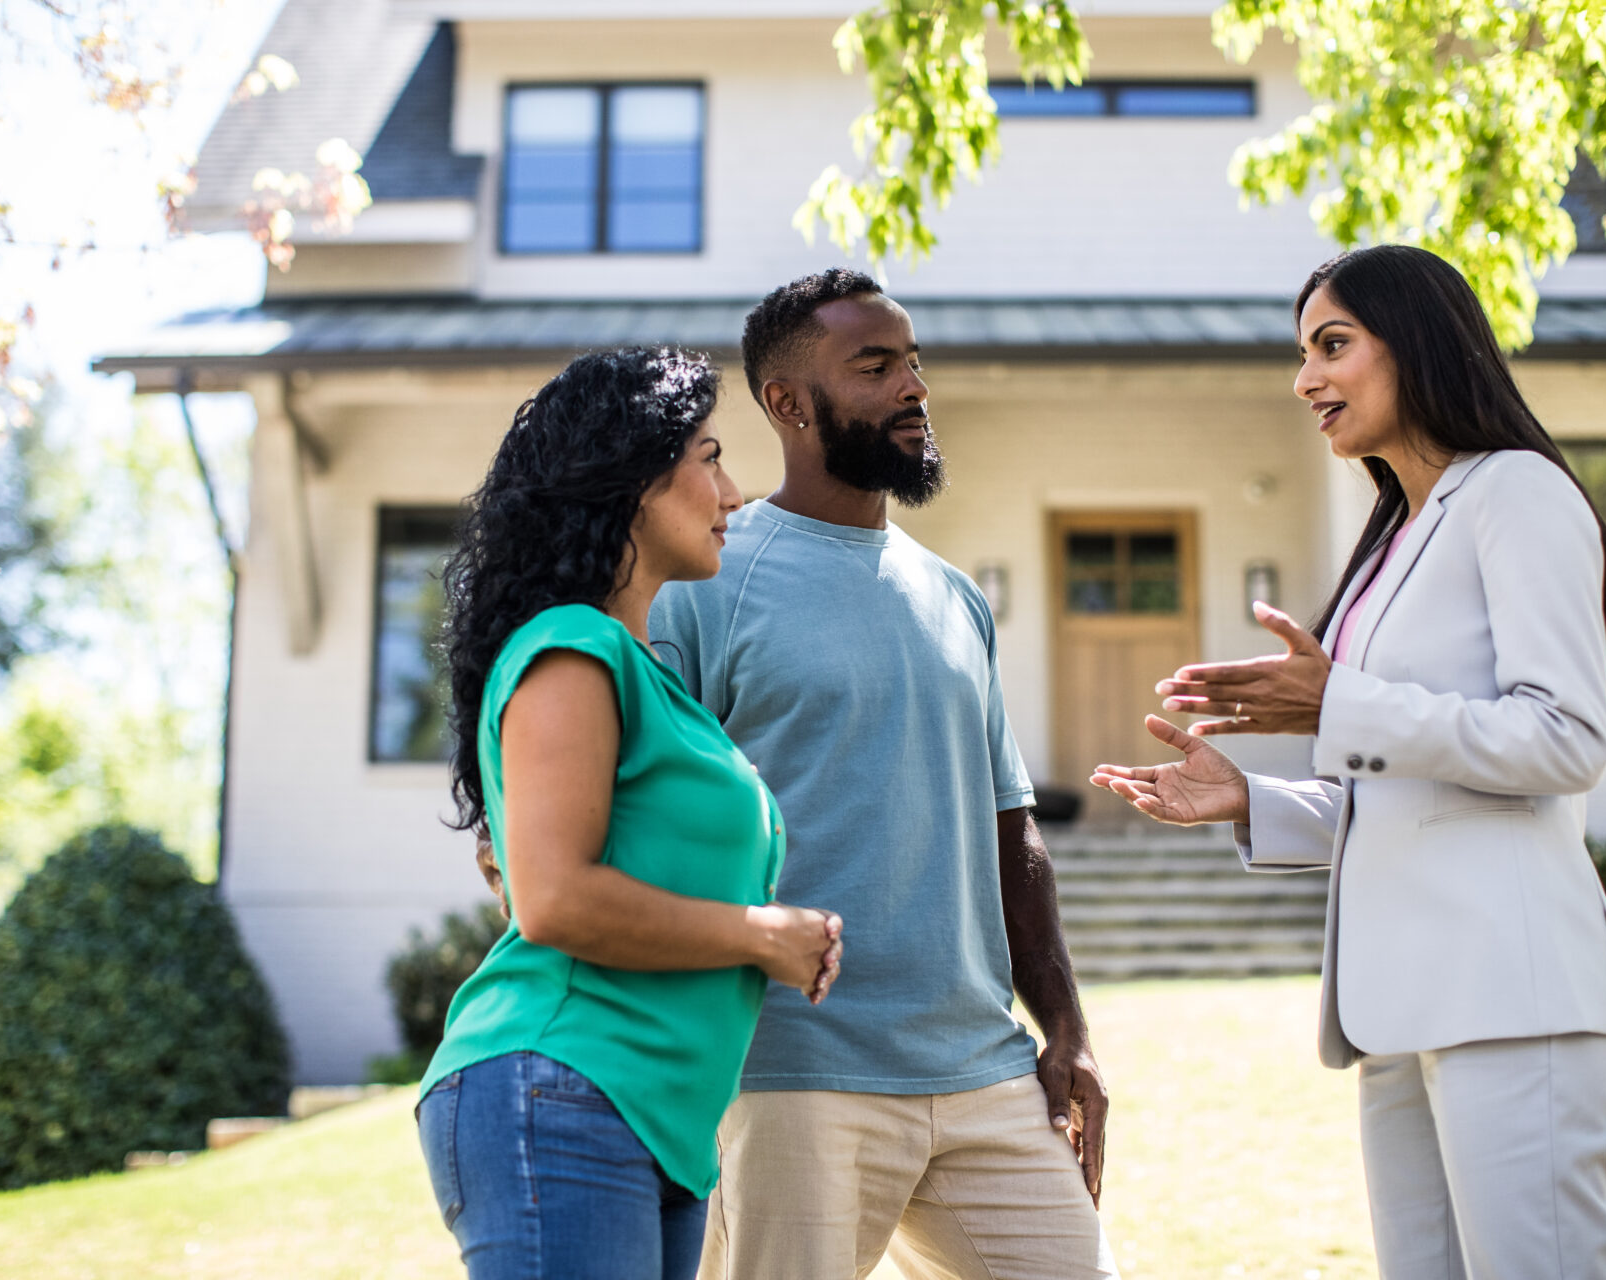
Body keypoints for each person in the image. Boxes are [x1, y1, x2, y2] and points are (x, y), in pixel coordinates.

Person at [1091, 245, 1606, 1280]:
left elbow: (1565, 738)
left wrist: (1335, 698)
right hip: (1397, 1009)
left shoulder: (1516, 492)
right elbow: (1406, 788)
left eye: (1333, 344)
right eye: (1302, 351)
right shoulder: (1392, 537)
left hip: (1511, 990)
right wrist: (1252, 799)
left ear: (1424, 340)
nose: (1305, 378)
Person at [650, 269, 1117, 1280]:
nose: (912, 386)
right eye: (874, 366)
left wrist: (1067, 1031)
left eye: (913, 363)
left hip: (982, 1065)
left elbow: (1011, 828)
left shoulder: (955, 597)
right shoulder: (705, 585)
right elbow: (649, 816)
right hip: (793, 1069)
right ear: (786, 403)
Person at [418, 346, 846, 1280]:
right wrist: (762, 934)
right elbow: (556, 902)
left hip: (654, 1122)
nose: (734, 493)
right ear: (634, 479)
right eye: (710, 457)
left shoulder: (654, 678)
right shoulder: (573, 647)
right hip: (562, 1083)